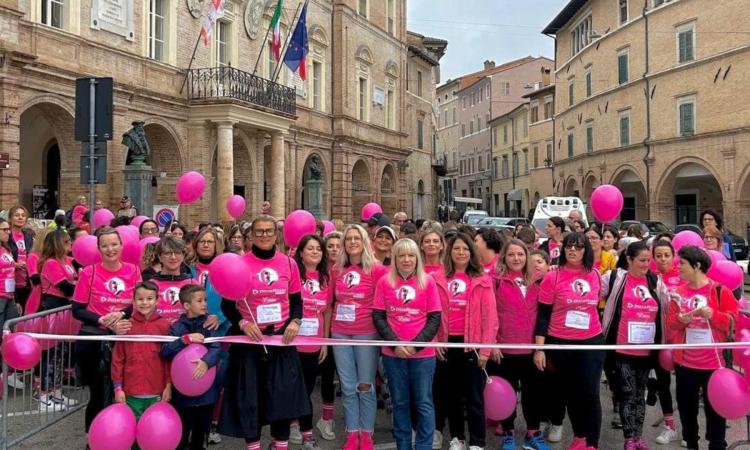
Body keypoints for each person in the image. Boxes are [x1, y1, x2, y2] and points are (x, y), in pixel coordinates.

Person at [219, 215, 308, 450]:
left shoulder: (289, 264)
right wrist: (243, 323)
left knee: (283, 402)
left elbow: (297, 301)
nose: (264, 235)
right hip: (250, 342)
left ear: (276, 234)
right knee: (251, 401)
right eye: (259, 232)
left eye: (269, 231)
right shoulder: (240, 263)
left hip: (281, 340)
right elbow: (227, 305)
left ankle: (280, 445)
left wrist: (295, 322)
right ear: (250, 236)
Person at [534, 232, 605, 450]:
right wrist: (539, 349)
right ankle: (579, 436)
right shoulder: (552, 276)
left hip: (591, 341)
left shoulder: (595, 275)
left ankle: (591, 443)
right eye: (568, 247)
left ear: (586, 250)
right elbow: (543, 314)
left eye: (578, 247)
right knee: (570, 392)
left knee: (590, 392)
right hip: (559, 342)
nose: (572, 250)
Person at [666, 245, 738, 450]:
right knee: (687, 412)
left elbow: (733, 322)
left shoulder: (719, 290)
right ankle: (691, 444)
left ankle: (717, 445)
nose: (678, 267)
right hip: (685, 364)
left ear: (697, 265)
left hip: (714, 364)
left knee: (715, 412)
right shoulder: (678, 292)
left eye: (682, 263)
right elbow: (671, 324)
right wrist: (681, 320)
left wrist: (713, 315)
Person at [373, 238, 442, 450]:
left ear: (417, 258)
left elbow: (434, 318)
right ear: (394, 258)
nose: (406, 260)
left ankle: (424, 446)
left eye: (411, 255)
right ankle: (403, 445)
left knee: (423, 403)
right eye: (401, 255)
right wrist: (395, 344)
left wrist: (415, 345)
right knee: (399, 403)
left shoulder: (428, 281)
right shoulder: (385, 282)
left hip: (422, 356)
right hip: (394, 355)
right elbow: (378, 316)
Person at [72, 227, 142, 431]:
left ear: (122, 246)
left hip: (124, 338)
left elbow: (139, 304)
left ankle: (122, 433)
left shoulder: (134, 270)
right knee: (99, 394)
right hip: (96, 341)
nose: (110, 249)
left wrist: (121, 315)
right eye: (105, 245)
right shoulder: (89, 272)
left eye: (114, 244)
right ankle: (94, 437)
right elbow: (77, 310)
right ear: (99, 248)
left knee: (124, 392)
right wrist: (103, 320)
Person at [432, 232, 498, 450]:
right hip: (446, 343)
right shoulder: (438, 278)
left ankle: (477, 441)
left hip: (473, 345)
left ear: (472, 253)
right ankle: (457, 437)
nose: (461, 252)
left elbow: (490, 318)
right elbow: (429, 313)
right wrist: (435, 341)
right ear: (449, 252)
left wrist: (486, 350)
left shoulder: (482, 279)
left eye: (466, 249)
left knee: (474, 397)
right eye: (456, 248)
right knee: (452, 395)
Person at [601, 241, 663, 450]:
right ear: (629, 260)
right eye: (641, 260)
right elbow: (591, 288)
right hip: (621, 349)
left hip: (646, 350)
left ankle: (639, 436)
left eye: (648, 260)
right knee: (627, 392)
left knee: (640, 394)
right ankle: (629, 438)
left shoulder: (655, 281)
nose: (646, 264)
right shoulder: (616, 278)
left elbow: (669, 303)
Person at [331, 224, 388, 450]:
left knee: (365, 385)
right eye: (349, 239)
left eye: (357, 238)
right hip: (340, 331)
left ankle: (367, 433)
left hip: (366, 332)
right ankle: (352, 432)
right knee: (347, 386)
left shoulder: (376, 269)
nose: (352, 242)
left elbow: (384, 303)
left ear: (365, 242)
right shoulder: (337, 269)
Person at [492, 239, 549, 450]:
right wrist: (492, 344)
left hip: (531, 349)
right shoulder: (495, 280)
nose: (516, 258)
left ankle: (532, 433)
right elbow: (490, 315)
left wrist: (540, 348)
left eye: (520, 254)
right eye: (511, 255)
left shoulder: (540, 280)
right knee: (505, 394)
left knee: (532, 394)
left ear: (527, 257)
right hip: (504, 349)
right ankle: (508, 432)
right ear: (504, 258)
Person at [162, 284, 222, 450]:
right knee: (181, 432)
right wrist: (184, 340)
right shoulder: (177, 328)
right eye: (199, 301)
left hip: (206, 393)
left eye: (205, 300)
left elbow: (216, 348)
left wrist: (206, 362)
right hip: (182, 395)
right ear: (186, 306)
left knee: (200, 433)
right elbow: (165, 351)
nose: (204, 304)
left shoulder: (209, 325)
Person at [291, 234, 333, 450]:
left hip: (314, 342)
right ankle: (295, 425)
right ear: (300, 252)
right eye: (310, 248)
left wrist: (325, 342)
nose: (315, 252)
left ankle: (304, 428)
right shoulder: (294, 275)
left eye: (318, 248)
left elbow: (327, 312)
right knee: (292, 389)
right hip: (292, 343)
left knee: (306, 390)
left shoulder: (326, 277)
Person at [111, 281, 171, 420]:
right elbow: (118, 359)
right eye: (140, 299)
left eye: (149, 299)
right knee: (131, 428)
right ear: (133, 301)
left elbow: (168, 359)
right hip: (130, 392)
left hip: (157, 390)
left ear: (157, 301)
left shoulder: (165, 326)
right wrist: (118, 388)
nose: (144, 303)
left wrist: (168, 385)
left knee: (154, 431)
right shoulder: (126, 326)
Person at [37, 230, 79, 411]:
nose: (71, 243)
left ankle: (57, 392)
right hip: (52, 311)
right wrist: (79, 285)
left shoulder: (67, 261)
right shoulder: (51, 263)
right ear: (57, 243)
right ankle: (44, 396)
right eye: (67, 241)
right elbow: (67, 288)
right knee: (51, 354)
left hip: (64, 313)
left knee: (62, 354)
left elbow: (79, 279)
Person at [650, 240, 680, 445]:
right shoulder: (649, 277)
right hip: (657, 339)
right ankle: (670, 426)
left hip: (680, 340)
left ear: (673, 256)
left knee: (687, 388)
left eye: (666, 255)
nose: (662, 259)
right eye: (658, 255)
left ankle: (690, 430)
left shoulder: (682, 276)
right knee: (663, 384)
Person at [147, 237, 198, 324]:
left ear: (183, 256)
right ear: (160, 257)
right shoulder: (150, 285)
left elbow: (201, 312)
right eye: (168, 253)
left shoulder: (193, 284)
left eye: (177, 253)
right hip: (159, 334)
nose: (173, 257)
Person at [7, 205, 33, 311]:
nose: (20, 218)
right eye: (17, 215)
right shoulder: (6, 235)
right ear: (10, 218)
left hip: (26, 281)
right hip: (10, 282)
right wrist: (15, 264)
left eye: (23, 215)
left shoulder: (28, 236)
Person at [0, 218, 19, 339]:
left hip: (10, 296)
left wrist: (15, 299)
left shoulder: (6, 249)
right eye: (4, 229)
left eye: (9, 229)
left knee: (9, 332)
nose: (8, 232)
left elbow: (11, 274)